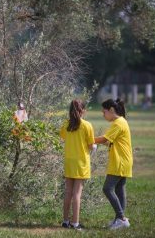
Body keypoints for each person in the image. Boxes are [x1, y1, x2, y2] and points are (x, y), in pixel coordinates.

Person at [94, 98, 132, 230]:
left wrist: (87, 139)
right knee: (119, 190)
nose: (102, 115)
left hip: (119, 162)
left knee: (107, 189)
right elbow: (108, 141)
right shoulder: (121, 122)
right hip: (124, 161)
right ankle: (119, 220)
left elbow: (104, 139)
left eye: (103, 112)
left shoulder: (118, 123)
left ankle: (121, 218)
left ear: (111, 110)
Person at [59, 99, 95, 231]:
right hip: (81, 162)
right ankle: (75, 223)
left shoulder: (65, 124)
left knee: (68, 192)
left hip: (69, 161)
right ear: (83, 111)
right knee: (77, 194)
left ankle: (65, 221)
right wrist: (94, 146)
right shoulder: (87, 125)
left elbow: (63, 137)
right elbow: (91, 146)